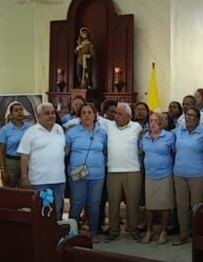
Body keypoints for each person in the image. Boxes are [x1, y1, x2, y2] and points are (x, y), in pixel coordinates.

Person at [99, 103, 143, 242]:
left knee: (133, 202)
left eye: (119, 114)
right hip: (113, 171)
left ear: (128, 116)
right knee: (113, 203)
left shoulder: (137, 127)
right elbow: (92, 116)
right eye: (115, 113)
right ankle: (113, 230)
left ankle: (133, 229)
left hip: (133, 171)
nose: (115, 116)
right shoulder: (108, 125)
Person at [65, 103, 107, 242]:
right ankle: (71, 233)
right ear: (79, 116)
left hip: (97, 174)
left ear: (95, 115)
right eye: (84, 113)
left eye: (90, 112)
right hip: (77, 173)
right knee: (77, 203)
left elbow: (105, 151)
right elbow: (65, 151)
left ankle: (93, 232)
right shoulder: (72, 132)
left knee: (94, 204)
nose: (87, 115)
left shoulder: (102, 132)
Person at [18, 103, 67, 219]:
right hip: (40, 181)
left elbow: (63, 149)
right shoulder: (31, 132)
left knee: (57, 210)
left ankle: (56, 235)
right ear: (39, 116)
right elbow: (24, 156)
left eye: (52, 113)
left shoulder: (59, 129)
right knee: (43, 212)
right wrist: (24, 177)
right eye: (47, 113)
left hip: (59, 180)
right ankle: (43, 236)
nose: (51, 116)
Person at [172, 107, 203, 245]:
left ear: (198, 119)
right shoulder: (179, 131)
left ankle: (197, 235)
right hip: (179, 174)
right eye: (187, 115)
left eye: (192, 116)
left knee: (196, 207)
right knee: (181, 206)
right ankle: (183, 235)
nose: (189, 118)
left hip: (198, 174)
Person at [140, 112, 175, 244]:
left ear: (161, 123)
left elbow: (174, 151)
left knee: (164, 204)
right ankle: (149, 231)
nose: (153, 123)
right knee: (150, 205)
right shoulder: (145, 137)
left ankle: (163, 231)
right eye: (151, 120)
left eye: (156, 120)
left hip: (165, 174)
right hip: (150, 174)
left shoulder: (169, 136)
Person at [0, 102, 31, 188]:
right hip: (11, 162)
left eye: (21, 110)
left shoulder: (29, 128)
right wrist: (2, 170)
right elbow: (1, 151)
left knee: (25, 190)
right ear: (11, 114)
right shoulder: (5, 130)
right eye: (16, 110)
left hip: (26, 162)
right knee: (9, 190)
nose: (19, 112)